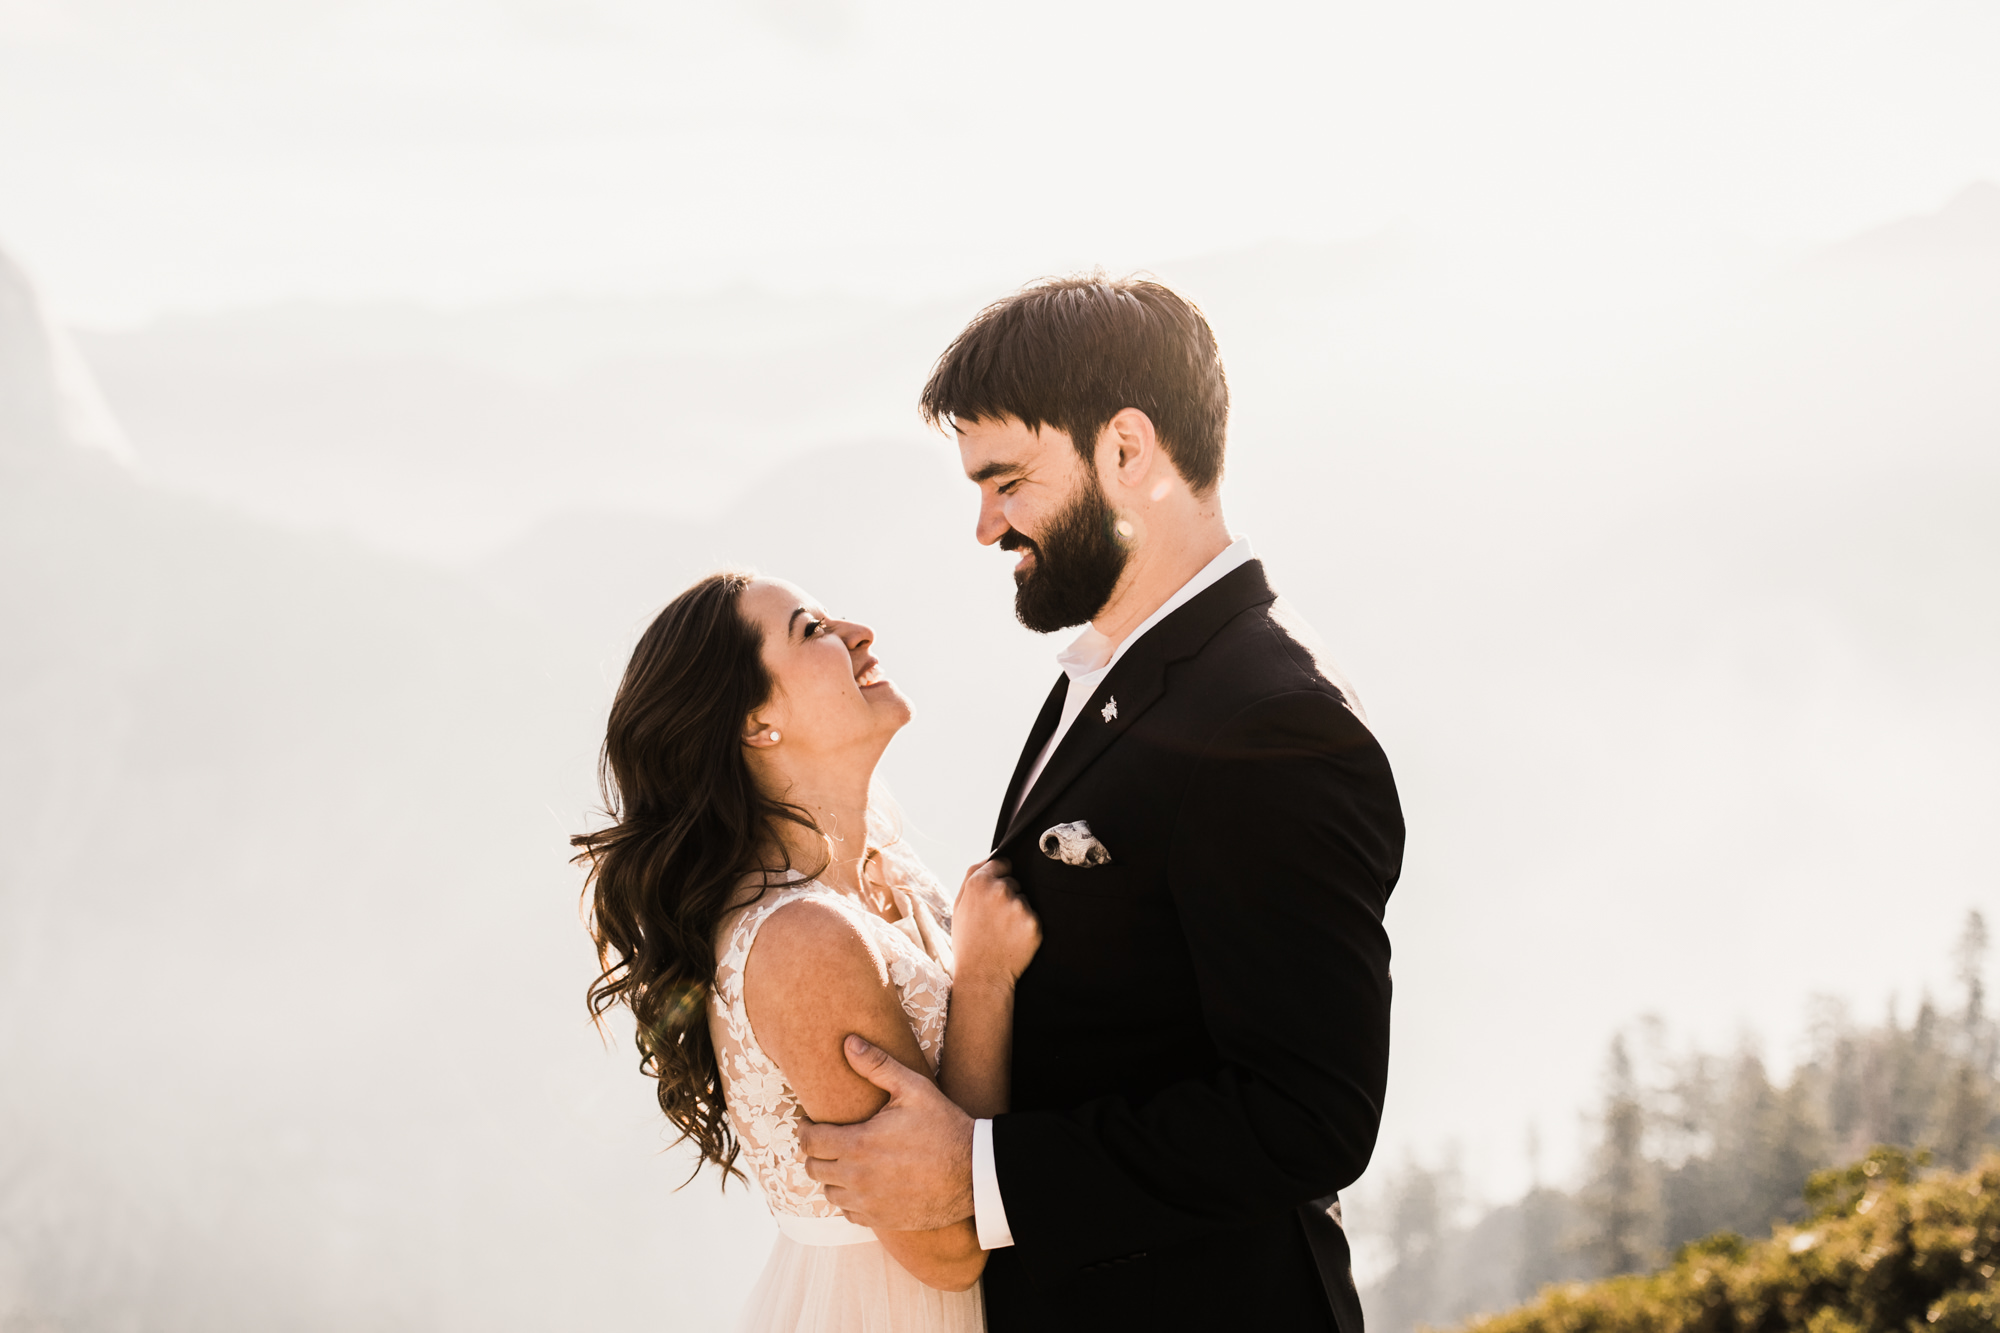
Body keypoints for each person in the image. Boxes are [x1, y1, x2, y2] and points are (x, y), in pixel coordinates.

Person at [797, 276, 1405, 1332]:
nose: (984, 525)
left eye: (1007, 481)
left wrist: (976, 1172)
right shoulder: (1123, 666)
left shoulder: (1270, 722)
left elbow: (1308, 1116)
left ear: (1127, 450)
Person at [573, 570, 1042, 1331]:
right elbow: (946, 1248)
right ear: (757, 722)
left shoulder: (882, 864)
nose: (860, 633)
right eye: (812, 629)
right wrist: (986, 976)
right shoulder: (801, 941)